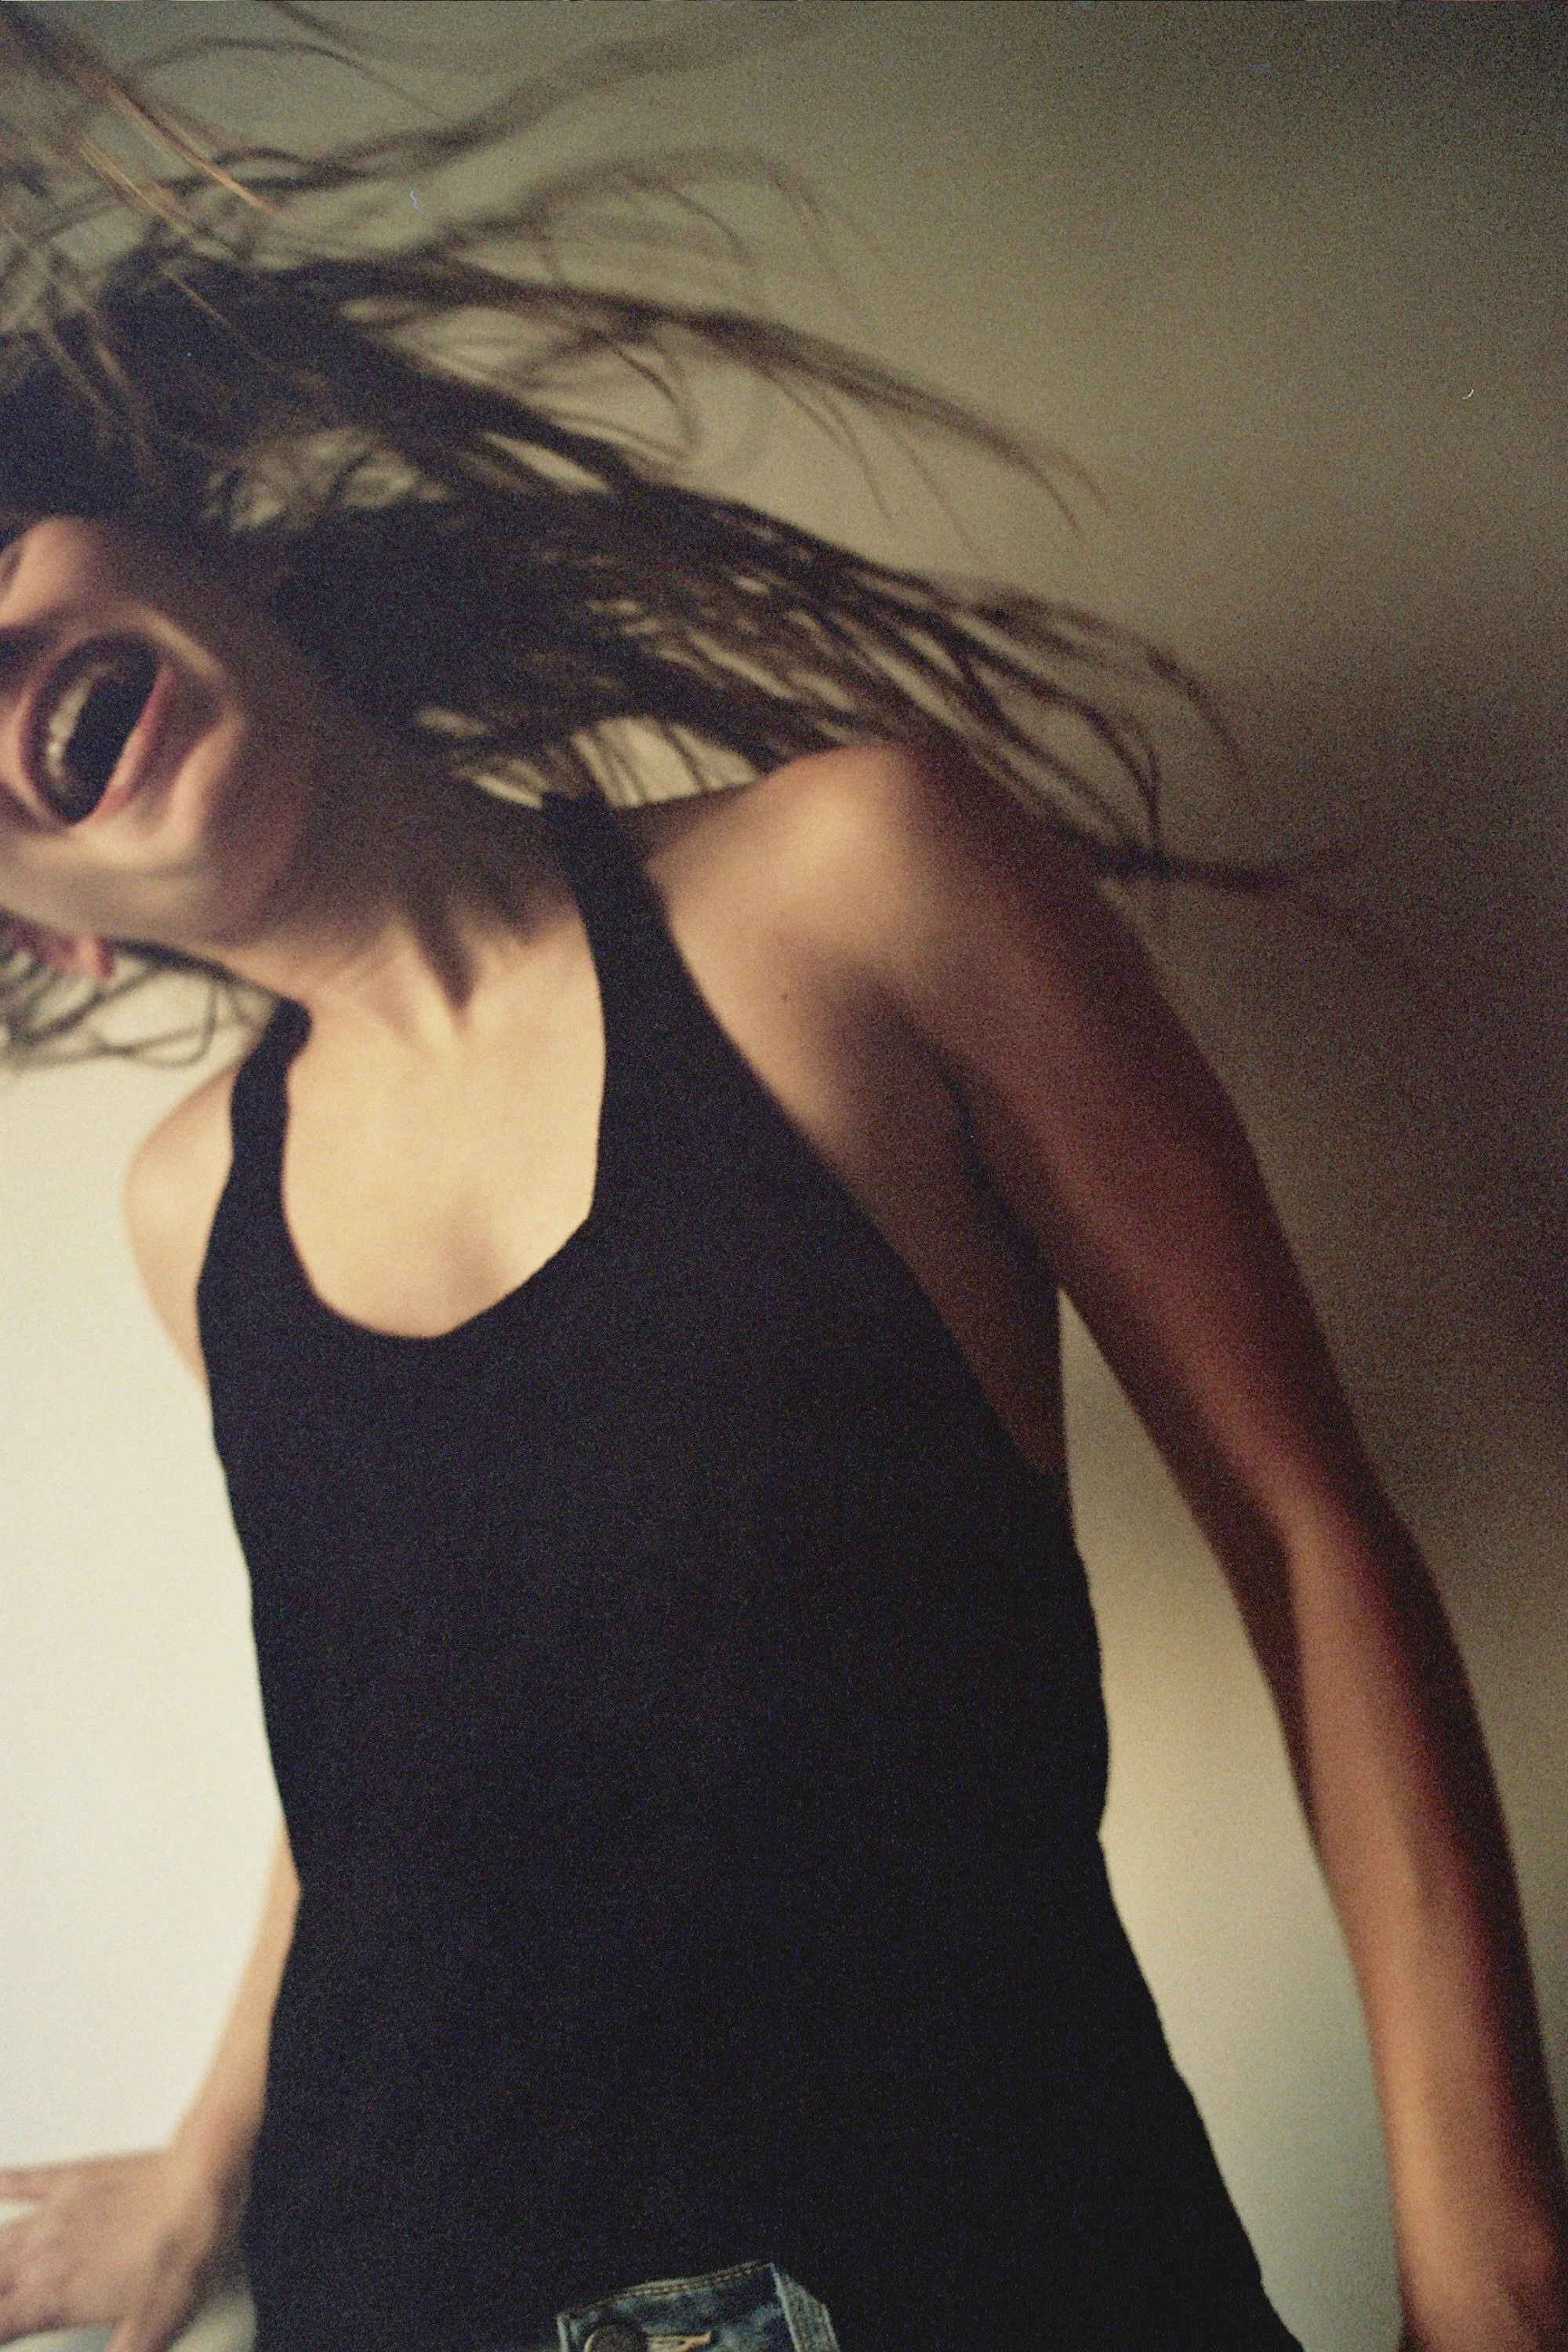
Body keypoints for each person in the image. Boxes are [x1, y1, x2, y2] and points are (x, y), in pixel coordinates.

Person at [0, 11, 1563, 2351]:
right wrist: (198, 2180)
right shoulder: (187, 1209)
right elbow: (388, 1774)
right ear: (46, 937)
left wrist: (1494, 2276)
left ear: (157, 544)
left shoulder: (858, 883)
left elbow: (1305, 1523)